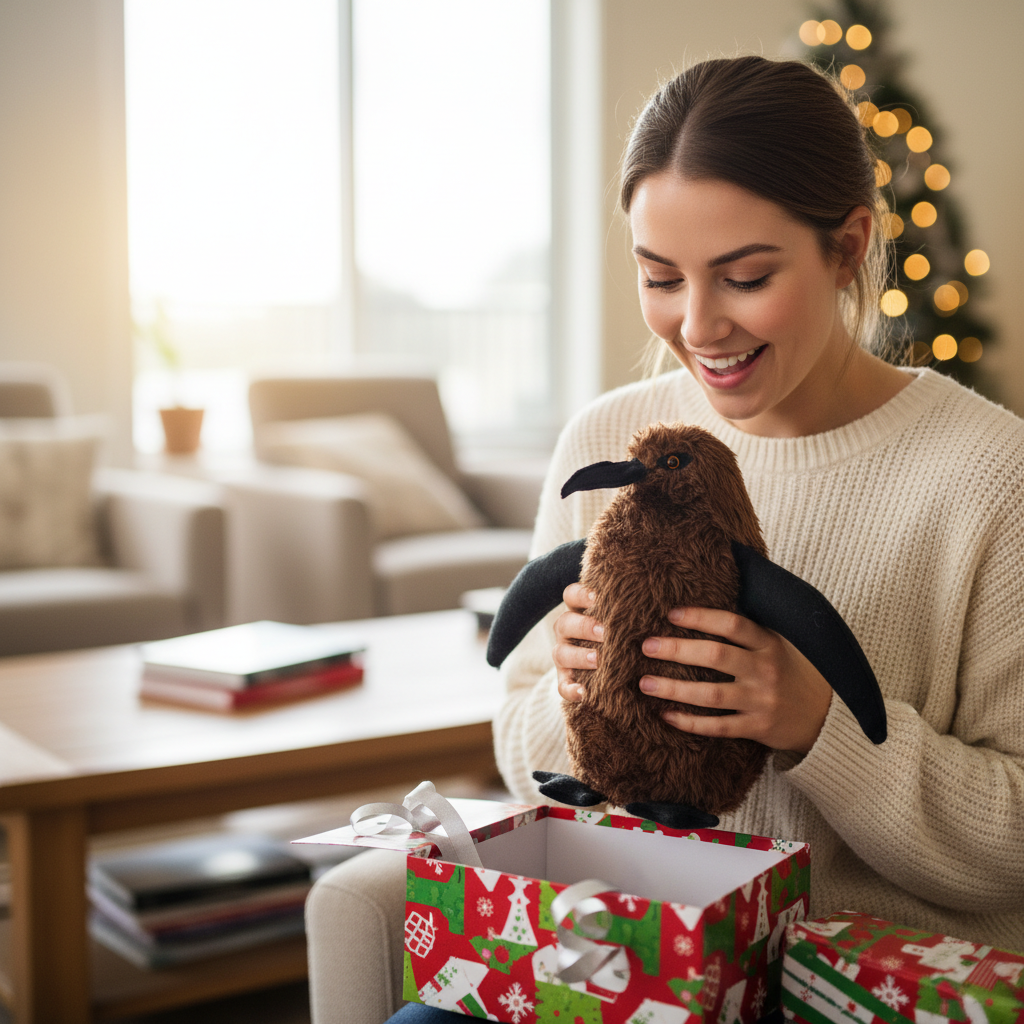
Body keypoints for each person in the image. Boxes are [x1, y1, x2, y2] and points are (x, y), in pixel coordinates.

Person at [305, 55, 1024, 1023]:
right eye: (659, 277)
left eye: (746, 277)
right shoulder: (606, 443)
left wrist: (819, 727)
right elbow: (520, 741)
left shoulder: (991, 473)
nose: (697, 325)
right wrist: (573, 693)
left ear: (848, 246)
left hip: (847, 986)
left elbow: (1012, 834)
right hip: (620, 962)